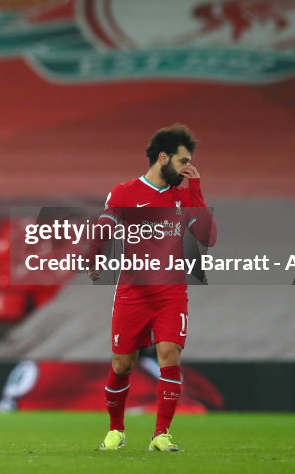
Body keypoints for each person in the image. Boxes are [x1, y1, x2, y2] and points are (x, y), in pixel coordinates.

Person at [89, 124, 216, 453]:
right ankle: (116, 430)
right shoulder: (124, 192)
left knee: (169, 356)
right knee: (121, 365)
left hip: (171, 293)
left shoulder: (183, 196)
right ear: (163, 158)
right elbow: (106, 224)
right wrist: (94, 255)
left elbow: (207, 236)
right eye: (183, 161)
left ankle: (161, 434)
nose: (188, 168)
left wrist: (197, 187)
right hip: (132, 294)